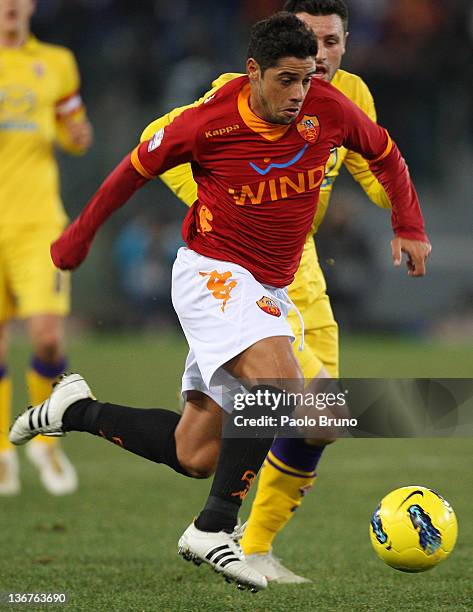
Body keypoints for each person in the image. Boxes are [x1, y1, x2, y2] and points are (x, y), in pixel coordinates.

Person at [10, 12, 430, 592]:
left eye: (307, 78)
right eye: (287, 80)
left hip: (270, 290)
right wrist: (79, 235)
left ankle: (75, 409)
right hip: (214, 276)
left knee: (201, 451)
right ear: (253, 72)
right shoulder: (206, 122)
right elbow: (130, 172)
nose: (299, 94)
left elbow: (384, 152)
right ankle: (214, 529)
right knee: (289, 395)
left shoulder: (327, 108)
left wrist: (409, 223)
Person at [139, 0, 393, 582]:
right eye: (309, 42)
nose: (320, 56)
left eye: (331, 42)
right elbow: (158, 139)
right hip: (243, 263)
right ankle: (223, 530)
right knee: (300, 404)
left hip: (303, 270)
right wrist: (218, 201)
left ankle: (250, 542)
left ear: (346, 44)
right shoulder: (238, 93)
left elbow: (377, 180)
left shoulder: (348, 95)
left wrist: (392, 190)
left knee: (298, 423)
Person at [0, 0, 93, 495]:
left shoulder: (56, 61)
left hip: (38, 224)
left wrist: (77, 135)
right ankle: (0, 452)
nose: (11, 6)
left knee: (47, 339)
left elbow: (72, 127)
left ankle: (44, 440)